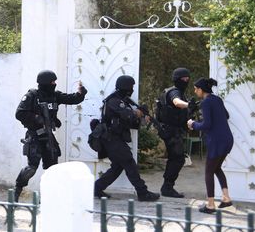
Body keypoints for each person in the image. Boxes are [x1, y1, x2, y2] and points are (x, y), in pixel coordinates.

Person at [14, 70, 87, 202]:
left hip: (48, 136)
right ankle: (16, 191)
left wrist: (81, 93)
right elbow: (19, 113)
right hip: (34, 135)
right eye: (52, 82)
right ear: (45, 82)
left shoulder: (55, 95)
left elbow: (72, 99)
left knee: (53, 168)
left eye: (55, 81)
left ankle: (50, 197)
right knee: (31, 168)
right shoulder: (32, 95)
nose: (54, 84)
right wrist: (37, 118)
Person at [94, 75, 160, 202]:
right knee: (129, 164)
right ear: (126, 87)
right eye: (131, 87)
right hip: (111, 138)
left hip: (115, 139)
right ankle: (142, 192)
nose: (132, 89)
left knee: (118, 167)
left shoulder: (124, 101)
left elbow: (131, 122)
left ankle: (96, 188)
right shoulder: (114, 101)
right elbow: (127, 115)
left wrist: (142, 119)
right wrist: (137, 113)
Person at [187, 78, 233, 214]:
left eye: (196, 89)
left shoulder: (206, 102)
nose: (195, 91)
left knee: (208, 171)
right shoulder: (217, 99)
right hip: (227, 139)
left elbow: (207, 125)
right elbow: (227, 115)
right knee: (216, 168)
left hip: (217, 141)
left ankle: (211, 205)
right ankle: (226, 198)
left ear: (201, 89)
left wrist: (193, 124)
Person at [156, 67, 195, 198]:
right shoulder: (174, 92)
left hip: (174, 131)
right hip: (170, 131)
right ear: (176, 79)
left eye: (187, 79)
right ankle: (167, 187)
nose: (186, 81)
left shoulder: (180, 92)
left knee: (176, 158)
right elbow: (176, 102)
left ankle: (167, 186)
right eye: (183, 79)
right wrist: (188, 104)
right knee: (177, 159)